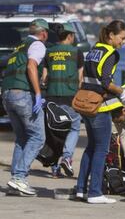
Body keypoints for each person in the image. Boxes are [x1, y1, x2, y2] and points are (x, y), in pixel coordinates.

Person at [76, 20, 125, 204]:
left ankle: (81, 189)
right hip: (99, 106)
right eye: (122, 38)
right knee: (101, 149)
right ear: (111, 35)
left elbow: (87, 76)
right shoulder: (111, 53)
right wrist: (122, 92)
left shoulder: (94, 49)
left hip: (85, 102)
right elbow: (106, 82)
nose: (122, 43)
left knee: (91, 147)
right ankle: (95, 193)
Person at [2, 19, 49, 196]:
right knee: (37, 137)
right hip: (23, 95)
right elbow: (31, 66)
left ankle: (15, 180)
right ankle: (19, 178)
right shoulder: (37, 45)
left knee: (22, 138)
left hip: (7, 95)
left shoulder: (19, 47)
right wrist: (38, 93)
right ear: (43, 33)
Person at [43, 22, 84, 178]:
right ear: (70, 36)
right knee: (73, 127)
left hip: (51, 98)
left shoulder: (49, 52)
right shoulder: (76, 52)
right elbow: (80, 78)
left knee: (55, 131)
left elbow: (44, 78)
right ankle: (66, 158)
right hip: (70, 97)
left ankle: (54, 167)